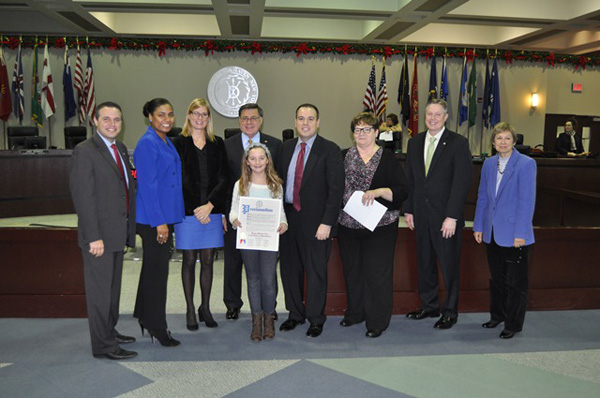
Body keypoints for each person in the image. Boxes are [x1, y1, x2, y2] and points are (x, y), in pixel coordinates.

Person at [70, 102, 137, 360]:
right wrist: (93, 236)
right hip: (99, 237)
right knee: (99, 294)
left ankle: (109, 331)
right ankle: (103, 346)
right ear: (95, 121)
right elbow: (83, 198)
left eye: (117, 119)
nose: (112, 124)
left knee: (112, 290)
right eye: (106, 119)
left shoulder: (119, 148)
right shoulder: (84, 151)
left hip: (117, 232)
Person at [403, 99, 472, 330]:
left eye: (437, 114)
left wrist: (452, 216)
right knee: (425, 264)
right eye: (428, 114)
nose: (432, 118)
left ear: (445, 117)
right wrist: (409, 209)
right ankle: (429, 305)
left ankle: (450, 311)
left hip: (446, 219)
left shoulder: (458, 143)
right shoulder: (414, 142)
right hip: (421, 216)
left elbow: (461, 183)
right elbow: (411, 180)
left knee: (449, 266)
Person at [338, 112, 408, 338]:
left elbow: (401, 190)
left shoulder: (387, 158)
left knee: (377, 273)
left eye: (367, 129)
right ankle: (356, 313)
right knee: (353, 272)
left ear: (377, 132)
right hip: (348, 225)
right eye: (358, 129)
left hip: (380, 226)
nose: (362, 133)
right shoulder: (343, 156)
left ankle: (377, 321)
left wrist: (378, 192)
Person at [278, 103, 345, 338]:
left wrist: (327, 222)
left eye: (310, 119)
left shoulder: (330, 150)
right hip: (287, 222)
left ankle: (316, 318)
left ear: (318, 122)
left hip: (317, 224)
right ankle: (295, 314)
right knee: (289, 270)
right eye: (300, 118)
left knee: (316, 272)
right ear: (295, 122)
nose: (305, 123)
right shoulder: (284, 149)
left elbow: (336, 190)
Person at [473, 122, 536, 339]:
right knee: (497, 279)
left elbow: (527, 202)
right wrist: (479, 226)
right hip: (491, 232)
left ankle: (513, 324)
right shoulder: (489, 164)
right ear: (493, 142)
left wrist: (521, 232)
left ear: (514, 141)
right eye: (499, 138)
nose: (503, 142)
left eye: (507, 138)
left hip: (515, 234)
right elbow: (482, 197)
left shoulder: (526, 164)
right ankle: (497, 315)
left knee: (516, 283)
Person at [133, 98, 185, 347]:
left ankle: (144, 316)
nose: (167, 119)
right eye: (161, 115)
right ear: (150, 117)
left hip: (162, 216)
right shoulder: (147, 143)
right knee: (158, 274)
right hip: (154, 219)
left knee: (152, 270)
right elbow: (148, 185)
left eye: (170, 114)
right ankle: (157, 326)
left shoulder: (164, 140)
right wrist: (160, 223)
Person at [223, 103, 282, 320]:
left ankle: (270, 307)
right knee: (233, 261)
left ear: (261, 120)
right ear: (239, 121)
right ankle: (232, 304)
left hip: (267, 222)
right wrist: (225, 214)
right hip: (238, 216)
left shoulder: (275, 145)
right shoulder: (227, 145)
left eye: (253, 118)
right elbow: (223, 181)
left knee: (267, 270)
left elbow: (278, 181)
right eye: (245, 118)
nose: (249, 122)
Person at [173, 98, 227, 330]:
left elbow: (224, 177)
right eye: (195, 113)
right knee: (188, 260)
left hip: (212, 212)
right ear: (188, 115)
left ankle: (205, 307)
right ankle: (189, 309)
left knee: (208, 261)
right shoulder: (178, 143)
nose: (199, 118)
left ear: (208, 118)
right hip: (187, 212)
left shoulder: (217, 143)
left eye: (204, 114)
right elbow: (178, 179)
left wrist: (210, 205)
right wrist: (197, 207)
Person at [229, 143, 288, 342]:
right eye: (253, 159)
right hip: (249, 238)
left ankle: (269, 318)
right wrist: (234, 219)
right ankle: (256, 319)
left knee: (269, 279)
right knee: (253, 279)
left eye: (261, 158)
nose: (257, 162)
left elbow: (280, 211)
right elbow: (233, 210)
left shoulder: (275, 185)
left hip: (269, 239)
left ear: (268, 160)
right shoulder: (241, 185)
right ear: (246, 162)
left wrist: (283, 222)